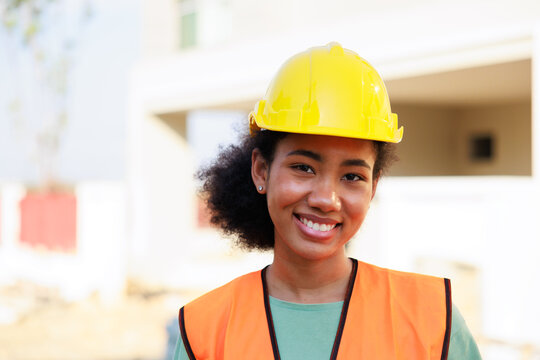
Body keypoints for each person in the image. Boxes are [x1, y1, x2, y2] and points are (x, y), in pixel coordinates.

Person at [173, 43, 482, 359]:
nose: (326, 199)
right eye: (303, 168)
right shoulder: (204, 332)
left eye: (352, 177)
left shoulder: (434, 321)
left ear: (373, 186)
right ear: (261, 170)